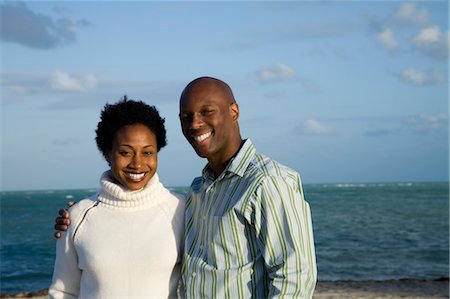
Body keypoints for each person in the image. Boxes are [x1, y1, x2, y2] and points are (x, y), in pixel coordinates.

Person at [55, 77, 317, 298]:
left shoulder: (267, 181)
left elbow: (295, 275)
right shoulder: (197, 192)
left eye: (207, 112)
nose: (194, 124)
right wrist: (78, 216)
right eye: (186, 117)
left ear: (234, 112)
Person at [49, 97, 185, 299]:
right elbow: (63, 291)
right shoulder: (77, 217)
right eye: (125, 152)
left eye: (148, 152)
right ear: (107, 153)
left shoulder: (181, 210)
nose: (137, 164)